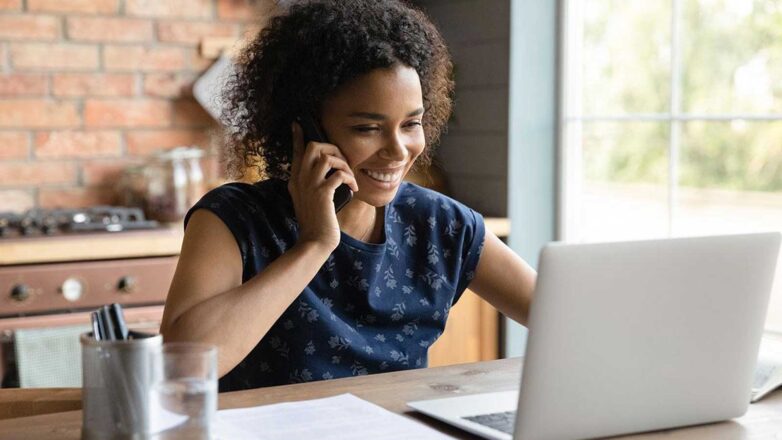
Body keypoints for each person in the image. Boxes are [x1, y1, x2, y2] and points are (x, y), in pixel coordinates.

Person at [160, 0, 536, 392]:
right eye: (367, 128)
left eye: (411, 124)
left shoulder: (443, 224)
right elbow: (182, 367)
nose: (398, 150)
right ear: (304, 130)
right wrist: (314, 245)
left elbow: (567, 319)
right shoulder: (233, 219)